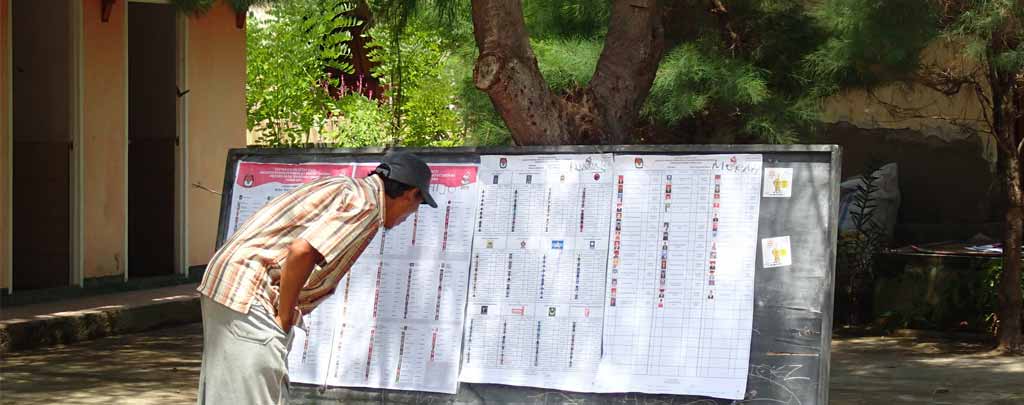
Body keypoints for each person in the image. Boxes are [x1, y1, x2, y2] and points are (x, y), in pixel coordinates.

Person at [195, 151, 436, 404]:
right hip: (252, 291)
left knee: (227, 393)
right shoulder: (366, 205)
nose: (411, 214)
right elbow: (302, 251)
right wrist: (284, 317)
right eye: (418, 205)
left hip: (229, 282)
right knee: (256, 394)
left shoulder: (347, 187)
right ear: (411, 194)